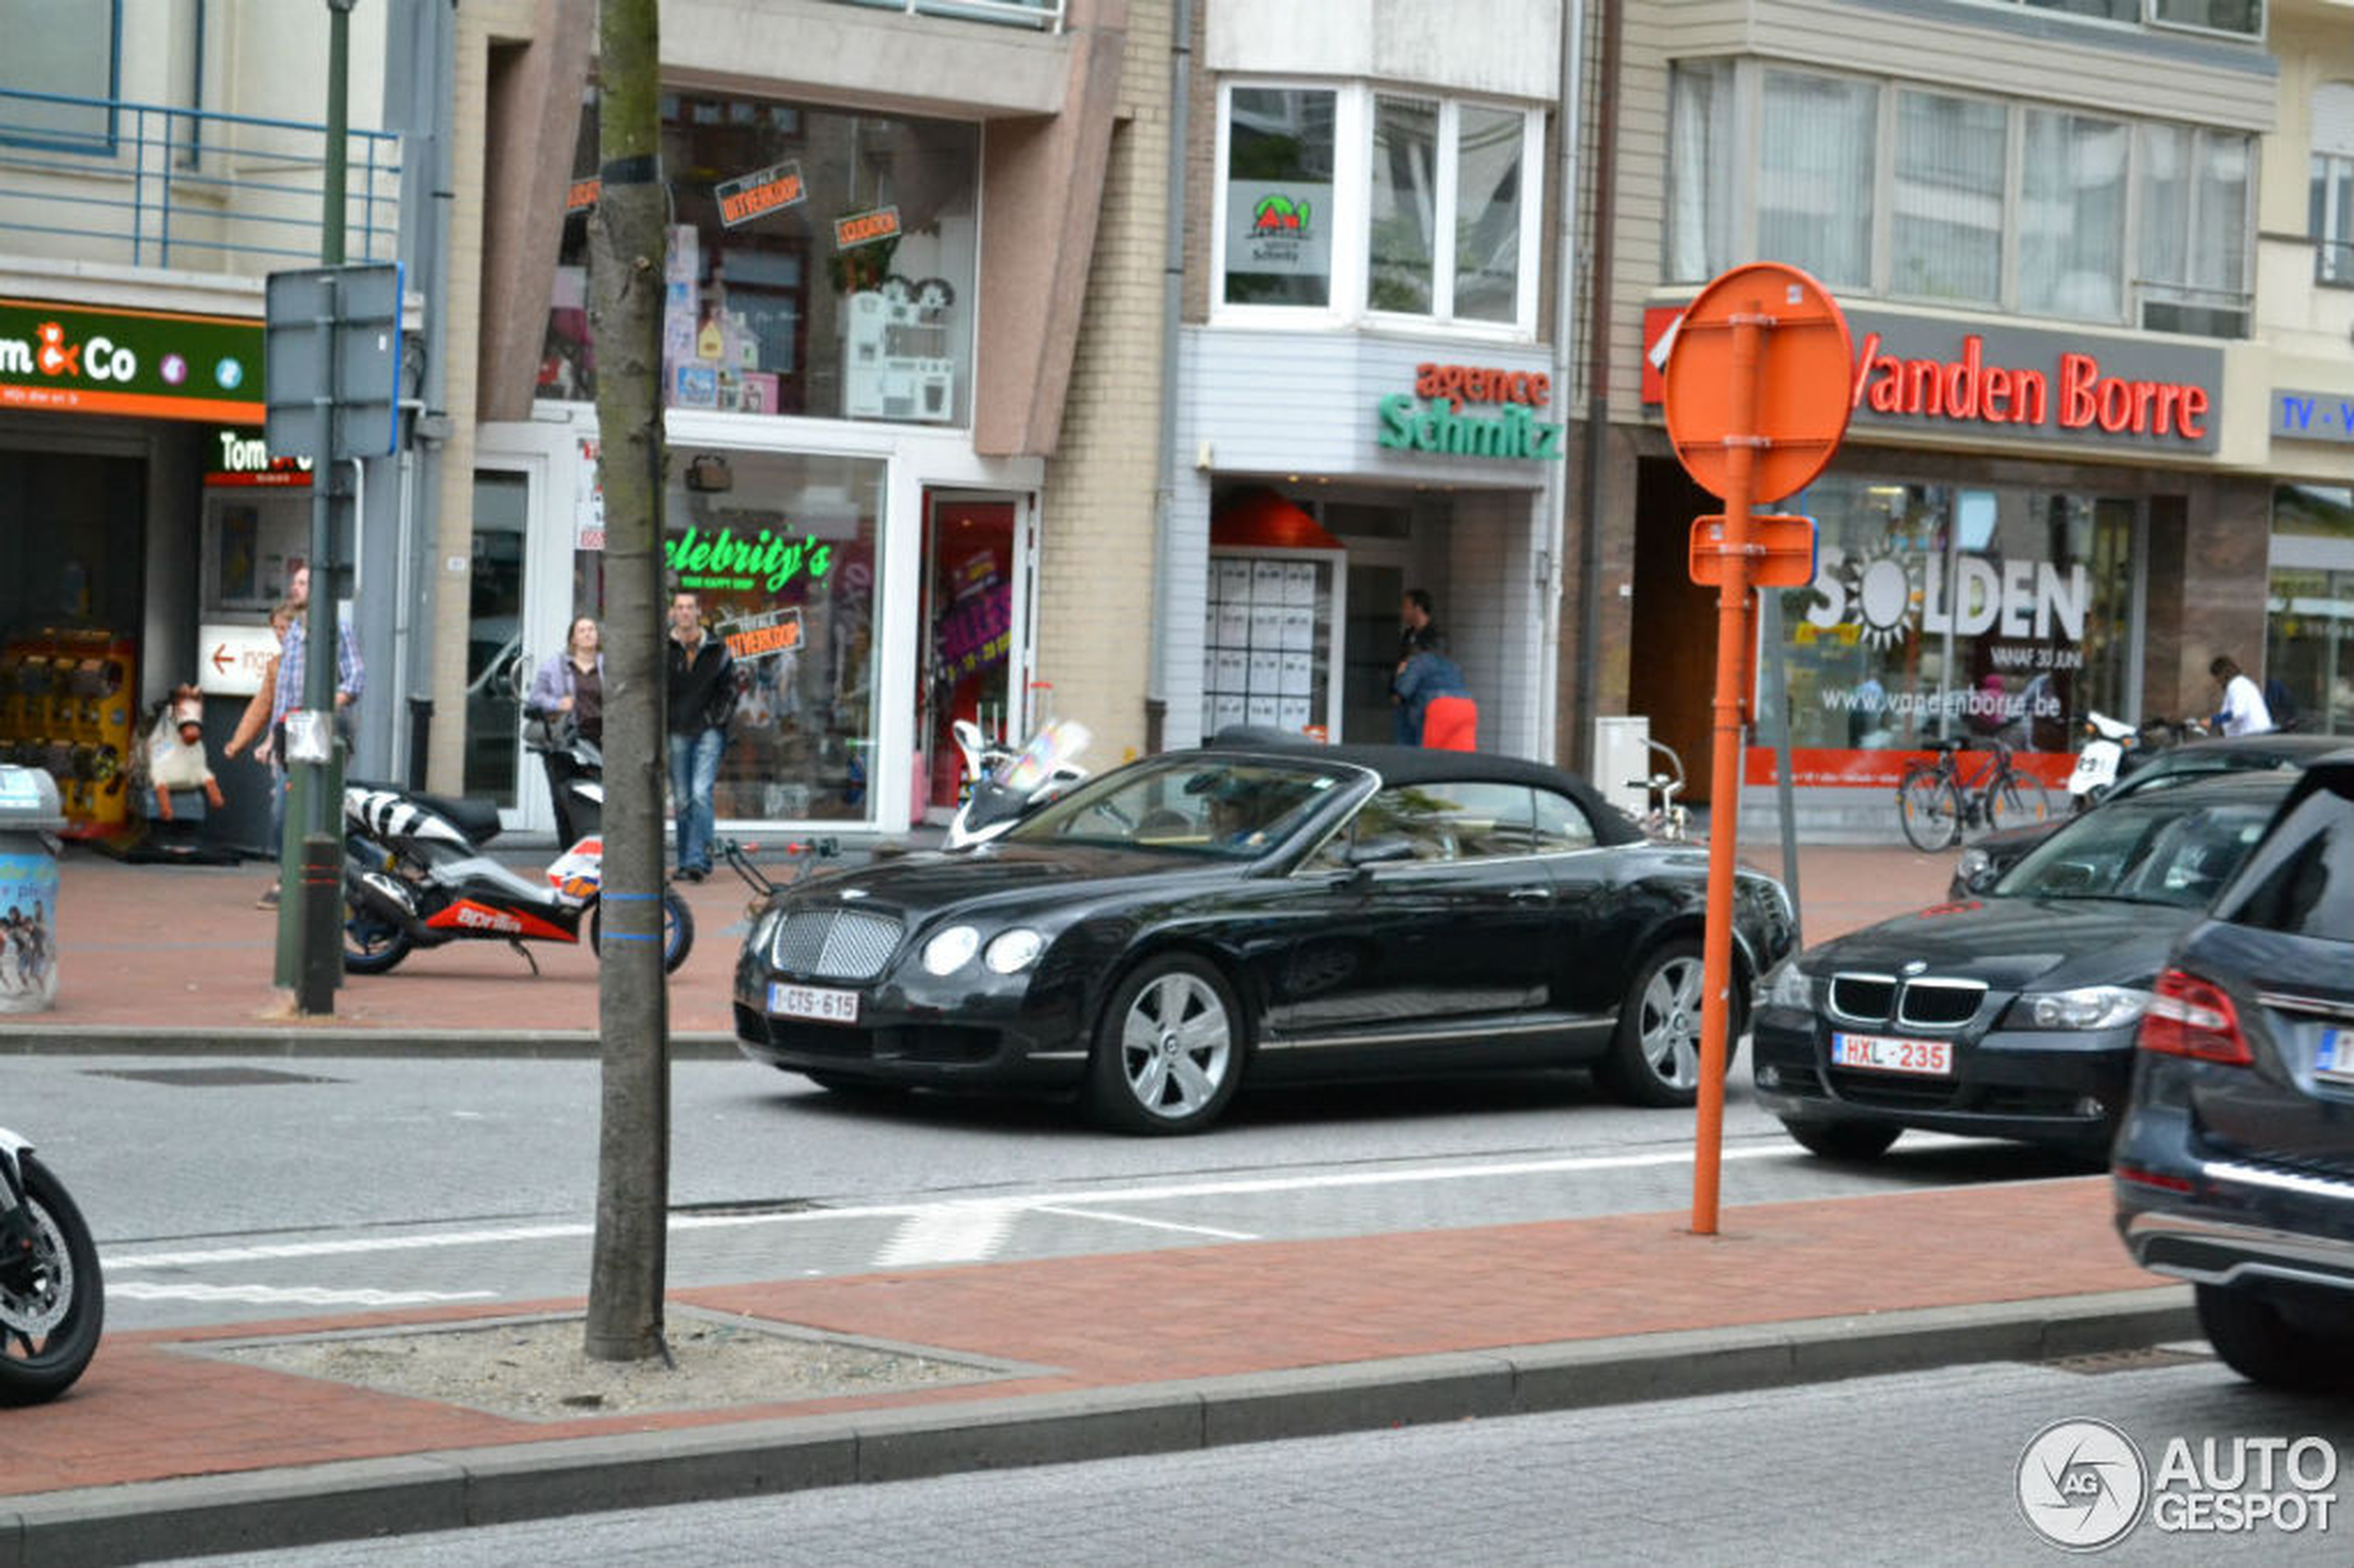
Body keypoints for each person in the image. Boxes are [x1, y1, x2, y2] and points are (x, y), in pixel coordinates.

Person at [664, 590, 736, 881]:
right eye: (679, 607)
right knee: (682, 799)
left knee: (700, 794)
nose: (684, 612)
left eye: (689, 607)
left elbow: (730, 689)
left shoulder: (718, 647)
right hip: (678, 729)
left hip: (708, 729)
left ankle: (699, 860)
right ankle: (684, 862)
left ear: (698, 612)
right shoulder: (664, 648)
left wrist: (717, 720)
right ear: (673, 612)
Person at [527, 616, 603, 847]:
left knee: (595, 799)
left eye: (591, 629)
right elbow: (535, 698)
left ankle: (594, 851)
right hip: (563, 742)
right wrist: (557, 704)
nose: (588, 634)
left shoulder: (607, 665)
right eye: (582, 630)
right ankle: (568, 852)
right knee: (564, 800)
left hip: (600, 740)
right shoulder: (555, 665)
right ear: (572, 637)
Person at [1392, 589, 1447, 743]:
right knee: (1403, 746)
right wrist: (1396, 691)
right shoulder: (1408, 634)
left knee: (1420, 744)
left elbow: (1429, 663)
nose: (1402, 611)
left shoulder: (1435, 636)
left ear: (1418, 608)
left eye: (1405, 606)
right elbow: (1401, 663)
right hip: (1404, 700)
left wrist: (1409, 662)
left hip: (1423, 700)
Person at [1394, 645, 1474, 748]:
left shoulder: (1418, 661)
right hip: (1467, 708)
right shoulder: (1452, 665)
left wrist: (1399, 675)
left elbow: (1403, 692)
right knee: (1457, 753)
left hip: (1437, 709)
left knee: (1428, 754)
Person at [2209, 655, 2274, 738]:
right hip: (2253, 736)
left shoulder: (2237, 685)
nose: (2216, 681)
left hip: (2252, 736)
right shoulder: (2241, 684)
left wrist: (2213, 720)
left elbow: (2238, 712)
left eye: (2216, 677)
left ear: (2222, 674)